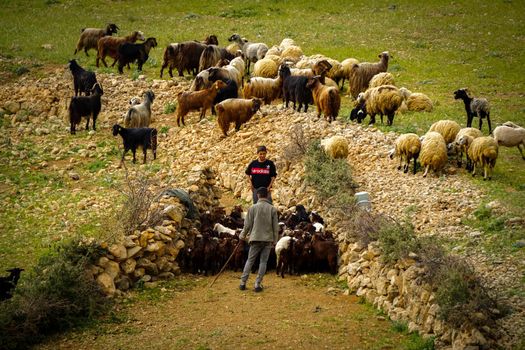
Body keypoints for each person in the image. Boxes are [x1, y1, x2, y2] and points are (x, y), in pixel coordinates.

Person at [239, 187, 279, 292]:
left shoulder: (252, 208)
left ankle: (243, 282)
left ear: (258, 195)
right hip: (267, 240)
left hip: (255, 238)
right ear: (267, 195)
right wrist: (275, 241)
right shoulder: (272, 209)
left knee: (250, 260)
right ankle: (257, 284)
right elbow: (276, 227)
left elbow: (247, 225)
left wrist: (242, 235)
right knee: (263, 262)